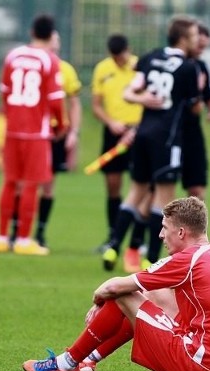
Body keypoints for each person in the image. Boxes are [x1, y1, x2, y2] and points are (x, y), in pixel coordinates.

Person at [22, 197, 210, 371]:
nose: (160, 235)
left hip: (197, 363)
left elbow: (113, 287)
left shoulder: (188, 259)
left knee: (124, 294)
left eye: (164, 228)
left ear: (181, 232)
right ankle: (89, 358)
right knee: (152, 294)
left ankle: (66, 363)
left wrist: (98, 299)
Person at [102, 16, 201, 271]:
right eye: (192, 36)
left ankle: (113, 246)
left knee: (135, 191)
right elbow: (194, 107)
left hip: (143, 133)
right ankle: (153, 258)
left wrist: (142, 99)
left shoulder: (150, 57)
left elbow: (129, 92)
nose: (196, 41)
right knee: (163, 197)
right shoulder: (189, 68)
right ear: (182, 39)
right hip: (167, 138)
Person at [0, 14, 65, 255]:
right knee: (31, 185)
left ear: (32, 31)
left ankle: (2, 238)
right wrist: (60, 126)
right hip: (36, 131)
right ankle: (23, 240)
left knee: (10, 181)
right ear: (51, 34)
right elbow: (56, 101)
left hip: (13, 128)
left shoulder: (13, 55)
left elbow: (4, 92)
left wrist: (12, 116)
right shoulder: (49, 60)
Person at [11, 30, 82, 249]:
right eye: (54, 39)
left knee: (48, 186)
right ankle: (18, 231)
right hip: (37, 132)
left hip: (56, 135)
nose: (57, 43)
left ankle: (40, 232)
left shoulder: (66, 69)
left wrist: (73, 132)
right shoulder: (33, 64)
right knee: (24, 184)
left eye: (59, 40)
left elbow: (74, 102)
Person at [91, 34, 146, 272]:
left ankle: (137, 242)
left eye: (121, 55)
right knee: (113, 185)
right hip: (113, 132)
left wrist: (137, 128)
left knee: (141, 188)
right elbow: (95, 105)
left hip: (138, 134)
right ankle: (113, 237)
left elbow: (148, 100)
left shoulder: (140, 67)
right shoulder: (102, 69)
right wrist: (111, 122)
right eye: (115, 57)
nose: (119, 60)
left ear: (128, 50)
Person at [182, 23, 210, 201]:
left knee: (197, 191)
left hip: (192, 133)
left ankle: (194, 228)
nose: (200, 50)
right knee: (157, 188)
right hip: (168, 132)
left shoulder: (202, 67)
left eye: (204, 47)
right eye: (198, 45)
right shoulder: (175, 64)